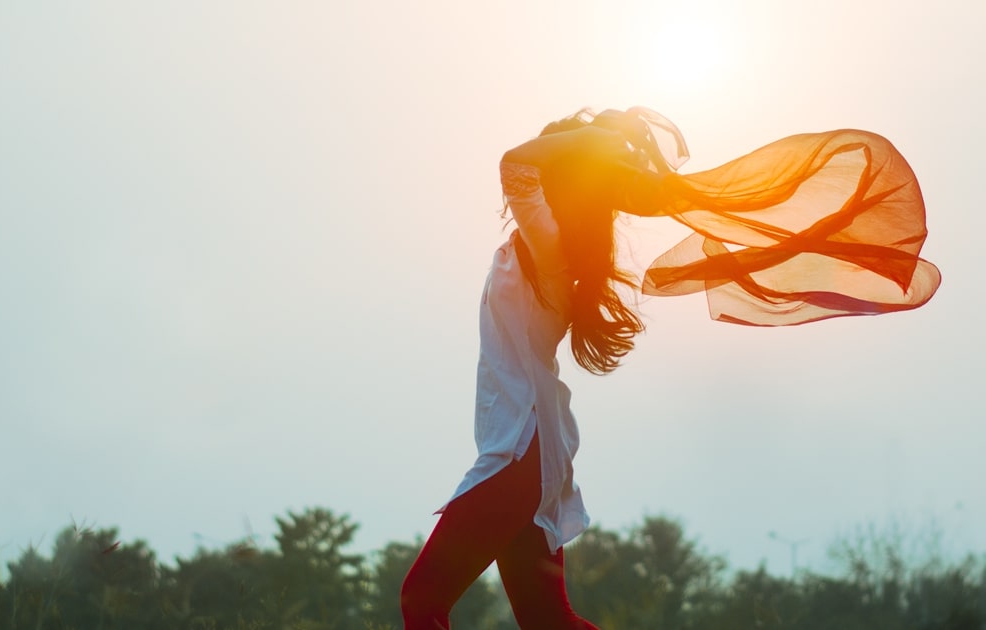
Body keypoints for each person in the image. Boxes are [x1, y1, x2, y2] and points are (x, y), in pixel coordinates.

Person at [398, 107, 940, 630]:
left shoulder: (551, 246)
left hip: (520, 451)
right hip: (529, 451)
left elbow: (516, 164)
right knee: (547, 620)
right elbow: (527, 167)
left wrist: (589, 145)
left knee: (422, 599)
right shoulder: (552, 247)